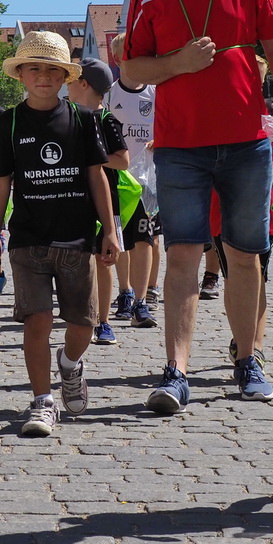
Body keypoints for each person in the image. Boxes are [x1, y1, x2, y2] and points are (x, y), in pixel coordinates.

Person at [119, 0, 273, 414]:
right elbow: (130, 69)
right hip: (180, 146)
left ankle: (248, 360)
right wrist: (177, 64)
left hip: (246, 142)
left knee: (245, 255)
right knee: (182, 255)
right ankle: (176, 371)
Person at [0, 33, 119, 436]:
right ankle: (42, 401)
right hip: (28, 239)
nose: (43, 76)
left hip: (76, 237)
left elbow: (97, 178)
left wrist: (109, 231)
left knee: (83, 325)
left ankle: (71, 364)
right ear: (21, 75)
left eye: (52, 69)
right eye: (34, 68)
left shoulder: (83, 119)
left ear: (65, 76)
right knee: (36, 320)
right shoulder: (7, 122)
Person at [67, 60, 134, 349]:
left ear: (84, 85)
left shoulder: (105, 119)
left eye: (70, 81)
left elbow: (124, 160)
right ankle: (81, 317)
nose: (65, 86)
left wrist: (93, 156)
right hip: (72, 199)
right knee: (78, 262)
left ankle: (103, 320)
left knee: (104, 262)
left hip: (105, 202)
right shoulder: (68, 116)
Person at [105, 41, 160, 329]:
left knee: (144, 239)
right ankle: (124, 292)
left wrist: (160, 139)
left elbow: (168, 123)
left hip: (148, 179)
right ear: (116, 57)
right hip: (119, 179)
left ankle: (141, 300)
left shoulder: (155, 93)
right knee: (121, 241)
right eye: (129, 54)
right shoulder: (109, 95)